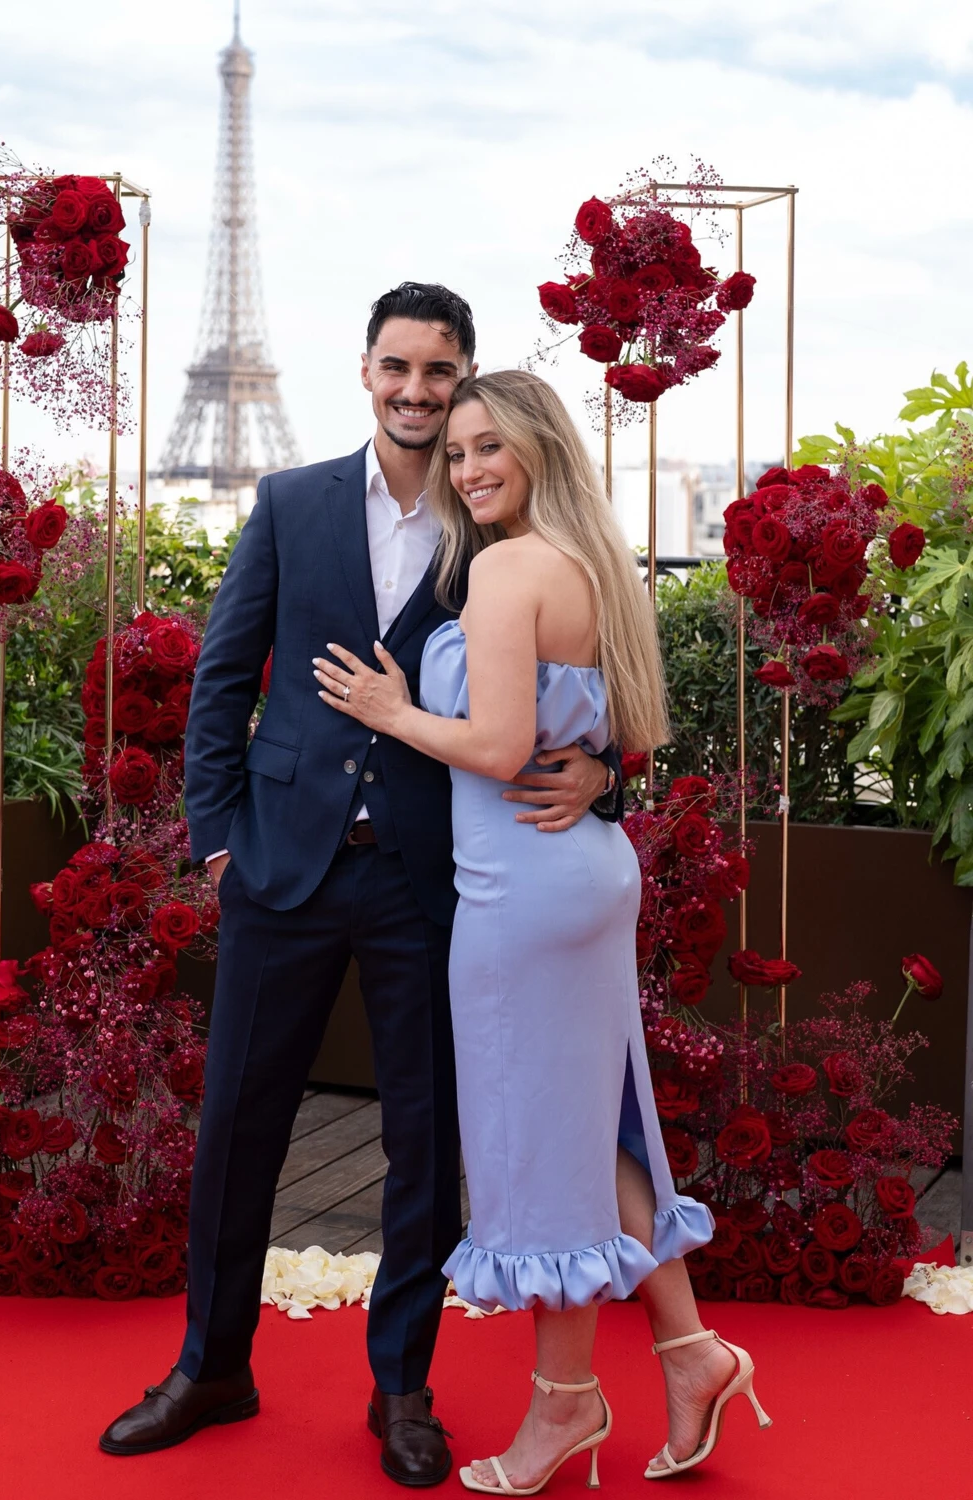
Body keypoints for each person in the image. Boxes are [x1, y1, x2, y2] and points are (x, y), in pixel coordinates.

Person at [98, 287, 622, 1487]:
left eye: (442, 372)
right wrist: (216, 840)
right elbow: (222, 680)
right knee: (239, 1128)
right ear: (367, 369)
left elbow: (581, 665)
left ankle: (402, 1391)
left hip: (434, 884)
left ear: (467, 378)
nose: (419, 392)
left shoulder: (496, 523)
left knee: (424, 1145)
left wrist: (602, 769)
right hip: (279, 868)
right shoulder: (290, 503)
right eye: (399, 366)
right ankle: (211, 1366)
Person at [315, 369, 772, 1492]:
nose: (469, 468)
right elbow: (611, 735)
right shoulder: (588, 564)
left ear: (535, 452)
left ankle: (564, 1407)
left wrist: (391, 713)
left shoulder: (511, 567)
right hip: (575, 876)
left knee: (534, 1147)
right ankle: (691, 1352)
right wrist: (601, 769)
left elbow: (502, 744)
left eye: (488, 448)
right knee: (587, 1131)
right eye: (458, 451)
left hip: (523, 895)